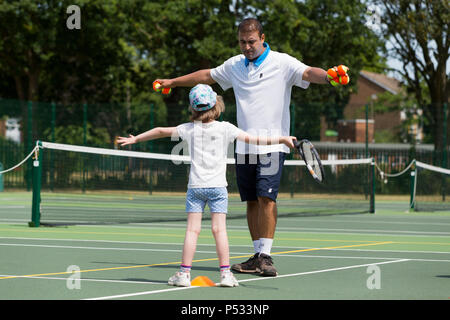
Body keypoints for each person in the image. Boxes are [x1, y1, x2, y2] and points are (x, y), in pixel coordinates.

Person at [154, 18, 336, 277]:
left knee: (266, 198)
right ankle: (256, 256)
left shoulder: (283, 63)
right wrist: (173, 81)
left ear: (262, 37)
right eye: (242, 42)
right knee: (251, 200)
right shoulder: (235, 65)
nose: (247, 46)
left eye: (251, 41)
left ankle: (266, 255)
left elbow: (308, 73)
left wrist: (329, 76)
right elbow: (207, 76)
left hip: (272, 145)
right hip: (244, 146)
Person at [117, 84, 296, 287]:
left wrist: (136, 138)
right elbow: (255, 139)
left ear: (193, 109)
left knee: (192, 231)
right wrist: (282, 138)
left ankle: (184, 274)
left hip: (196, 188)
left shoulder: (188, 129)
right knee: (219, 230)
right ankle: (226, 275)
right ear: (216, 106)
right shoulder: (226, 128)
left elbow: (159, 130)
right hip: (218, 189)